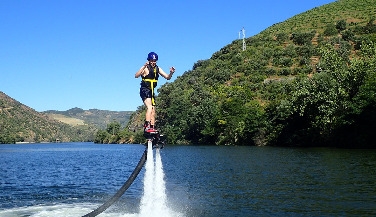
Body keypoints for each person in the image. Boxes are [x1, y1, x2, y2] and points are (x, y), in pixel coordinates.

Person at [135, 52, 175, 134]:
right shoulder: (145, 68)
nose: (153, 62)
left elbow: (167, 77)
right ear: (149, 60)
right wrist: (143, 66)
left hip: (151, 91)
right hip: (144, 90)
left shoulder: (158, 69)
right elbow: (136, 75)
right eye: (152, 60)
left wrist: (171, 72)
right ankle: (147, 126)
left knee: (153, 110)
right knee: (149, 107)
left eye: (155, 60)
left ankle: (152, 127)